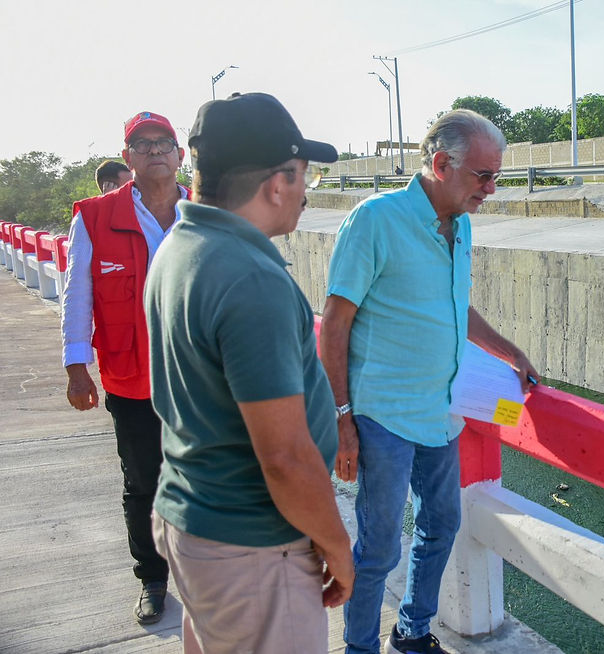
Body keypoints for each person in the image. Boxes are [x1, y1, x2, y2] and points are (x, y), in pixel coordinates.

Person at [320, 108, 539, 654]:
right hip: (383, 415)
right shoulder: (376, 220)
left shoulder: (461, 224)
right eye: (483, 175)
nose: (491, 188)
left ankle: (413, 632)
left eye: (496, 176)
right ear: (442, 164)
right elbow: (335, 324)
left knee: (441, 526)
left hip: (442, 413)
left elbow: (455, 305)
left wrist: (509, 352)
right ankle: (360, 648)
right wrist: (341, 420)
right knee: (378, 549)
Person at [145, 92, 354, 654]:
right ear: (278, 182)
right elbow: (285, 457)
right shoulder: (250, 278)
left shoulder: (180, 246)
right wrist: (338, 546)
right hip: (253, 551)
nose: (307, 192)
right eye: (305, 175)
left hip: (195, 522)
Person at [61, 111, 187, 624]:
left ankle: (206, 572)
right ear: (127, 157)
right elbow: (77, 291)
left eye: (164, 143)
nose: (154, 151)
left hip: (199, 381)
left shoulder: (206, 212)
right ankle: (152, 579)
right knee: (143, 483)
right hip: (131, 379)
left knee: (210, 479)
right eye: (143, 144)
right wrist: (76, 364)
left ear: (180, 155)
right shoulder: (95, 217)